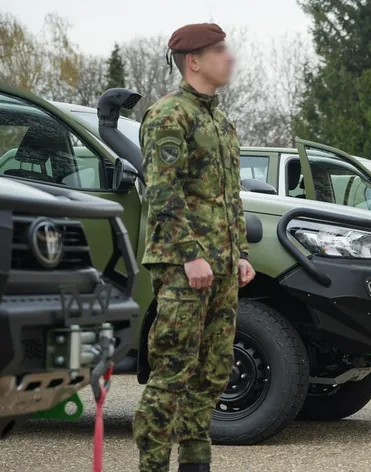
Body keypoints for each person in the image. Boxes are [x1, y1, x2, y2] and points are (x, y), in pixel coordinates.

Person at [133, 23, 255, 472]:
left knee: (214, 372)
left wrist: (241, 254)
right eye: (219, 50)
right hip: (184, 265)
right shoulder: (170, 115)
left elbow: (230, 196)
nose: (229, 57)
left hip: (220, 264)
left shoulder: (220, 121)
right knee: (173, 370)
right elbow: (162, 191)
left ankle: (195, 463)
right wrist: (190, 254)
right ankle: (152, 466)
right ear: (194, 61)